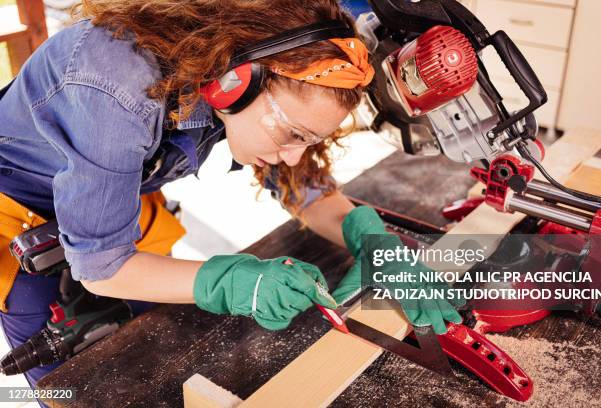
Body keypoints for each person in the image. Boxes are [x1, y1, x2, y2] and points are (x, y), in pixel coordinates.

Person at [0, 0, 462, 392]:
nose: (289, 157)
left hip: (117, 203)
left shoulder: (231, 58)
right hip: (19, 224)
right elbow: (102, 268)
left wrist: (373, 243)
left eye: (309, 140)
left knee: (145, 348)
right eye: (292, 133)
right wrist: (229, 281)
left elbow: (304, 187)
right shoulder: (117, 85)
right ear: (236, 82)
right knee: (76, 385)